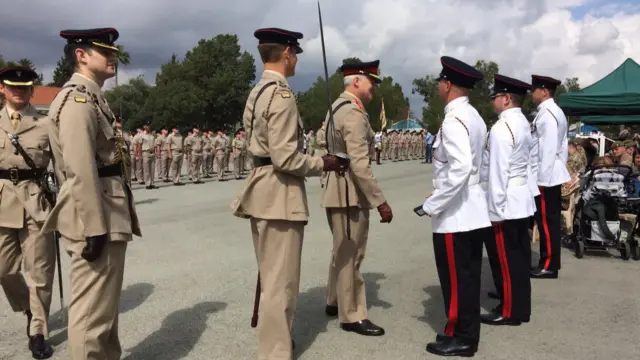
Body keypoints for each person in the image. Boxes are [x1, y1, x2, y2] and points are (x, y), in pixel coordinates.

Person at [230, 27, 347, 360]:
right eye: (294, 53)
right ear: (286, 53)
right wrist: (323, 162)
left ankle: (275, 343)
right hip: (279, 194)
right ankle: (275, 352)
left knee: (272, 280)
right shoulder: (280, 95)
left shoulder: (259, 90)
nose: (296, 59)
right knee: (281, 285)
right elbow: (285, 158)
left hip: (263, 189)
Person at [43, 27, 141, 360]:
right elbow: (80, 169)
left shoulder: (93, 96)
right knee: (90, 318)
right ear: (81, 55)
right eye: (104, 51)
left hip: (105, 209)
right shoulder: (78, 99)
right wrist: (95, 229)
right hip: (94, 216)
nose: (113, 56)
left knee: (104, 312)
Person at [421, 56, 490, 357]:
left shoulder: (454, 120)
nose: (438, 85)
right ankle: (463, 333)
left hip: (456, 213)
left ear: (448, 84)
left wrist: (432, 204)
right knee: (468, 277)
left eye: (440, 81)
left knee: (456, 278)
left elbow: (460, 168)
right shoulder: (473, 116)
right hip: (471, 208)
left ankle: (462, 338)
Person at [321, 60, 393, 336]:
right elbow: (360, 165)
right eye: (371, 81)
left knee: (341, 248)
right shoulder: (352, 112)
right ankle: (351, 315)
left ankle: (335, 299)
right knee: (352, 253)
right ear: (357, 81)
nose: (373, 87)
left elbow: (320, 141)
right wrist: (380, 201)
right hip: (350, 193)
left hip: (336, 189)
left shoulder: (335, 108)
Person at [0, 66, 56, 359]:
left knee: (40, 273)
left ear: (32, 90)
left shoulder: (45, 123)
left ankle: (38, 331)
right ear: (2, 89)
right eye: (13, 87)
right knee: (4, 270)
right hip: (1, 202)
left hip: (36, 202)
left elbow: (62, 166)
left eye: (25, 88)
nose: (19, 92)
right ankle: (28, 308)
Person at [481, 74, 535, 326]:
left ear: (505, 99)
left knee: (505, 260)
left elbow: (498, 172)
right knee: (519, 258)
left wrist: (494, 211)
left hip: (506, 202)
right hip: (521, 196)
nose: (493, 101)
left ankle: (509, 310)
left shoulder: (503, 127)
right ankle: (521, 307)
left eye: (495, 97)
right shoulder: (523, 123)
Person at [529, 74, 571, 279]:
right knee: (548, 221)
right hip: (551, 172)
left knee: (546, 222)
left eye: (534, 89)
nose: (531, 93)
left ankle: (548, 264)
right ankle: (548, 262)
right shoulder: (554, 112)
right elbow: (562, 147)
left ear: (544, 91)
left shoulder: (548, 114)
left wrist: (542, 180)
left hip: (545, 177)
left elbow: (547, 149)